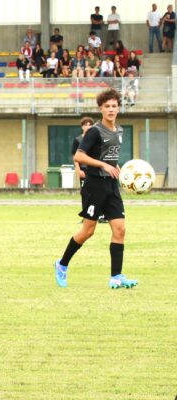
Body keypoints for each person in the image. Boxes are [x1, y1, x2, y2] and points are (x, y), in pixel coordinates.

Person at [54, 88, 137, 290]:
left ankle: (116, 277)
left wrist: (114, 166)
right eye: (107, 106)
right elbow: (79, 157)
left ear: (119, 108)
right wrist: (103, 165)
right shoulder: (94, 131)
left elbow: (108, 155)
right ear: (101, 108)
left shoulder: (120, 131)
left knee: (120, 229)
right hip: (94, 185)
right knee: (88, 230)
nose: (110, 109)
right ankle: (62, 264)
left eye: (114, 106)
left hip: (111, 185)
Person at [71, 116, 94, 190]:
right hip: (83, 169)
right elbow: (75, 156)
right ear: (82, 127)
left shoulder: (96, 139)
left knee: (95, 191)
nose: (88, 127)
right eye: (86, 125)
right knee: (85, 190)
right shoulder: (77, 140)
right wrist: (78, 170)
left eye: (90, 125)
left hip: (94, 168)